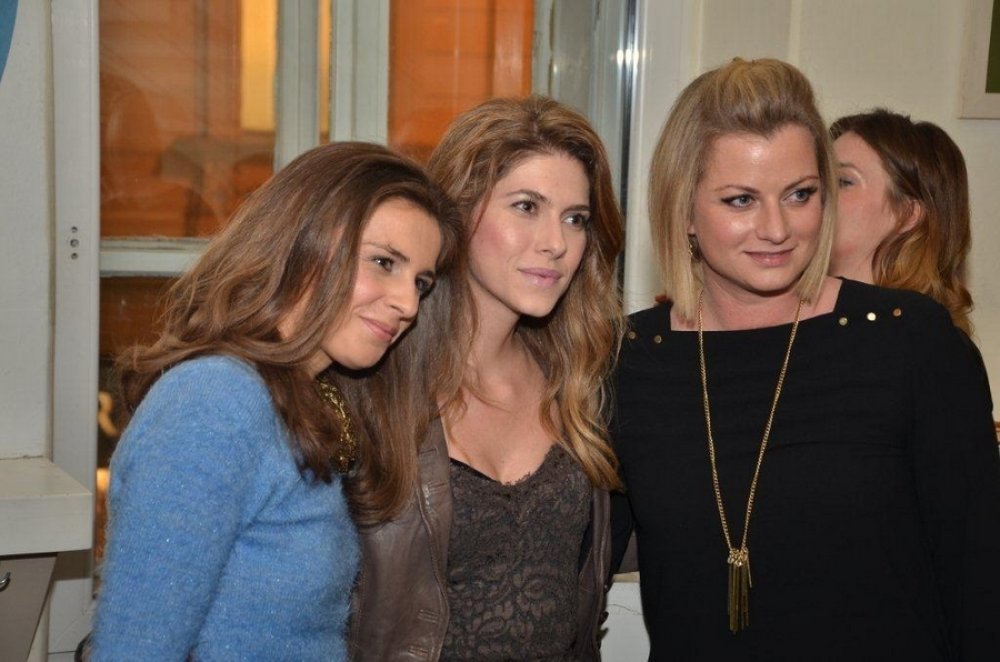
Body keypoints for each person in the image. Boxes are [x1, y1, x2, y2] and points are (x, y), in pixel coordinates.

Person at [611, 58, 1000, 660]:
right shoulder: (628, 360)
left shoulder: (910, 343)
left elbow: (980, 585)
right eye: (740, 200)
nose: (777, 229)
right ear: (683, 210)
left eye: (800, 194)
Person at [90, 142, 464, 660]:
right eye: (383, 262)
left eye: (420, 283)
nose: (407, 304)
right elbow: (134, 650)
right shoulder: (215, 401)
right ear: (301, 243)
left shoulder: (310, 397)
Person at [349, 96, 625, 661]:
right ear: (459, 211)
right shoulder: (374, 382)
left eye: (575, 218)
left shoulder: (579, 381)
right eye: (526, 206)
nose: (556, 243)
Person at [829, 108, 974, 334]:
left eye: (843, 182)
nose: (818, 193)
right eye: (819, 178)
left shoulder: (927, 341)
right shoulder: (791, 317)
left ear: (907, 214)